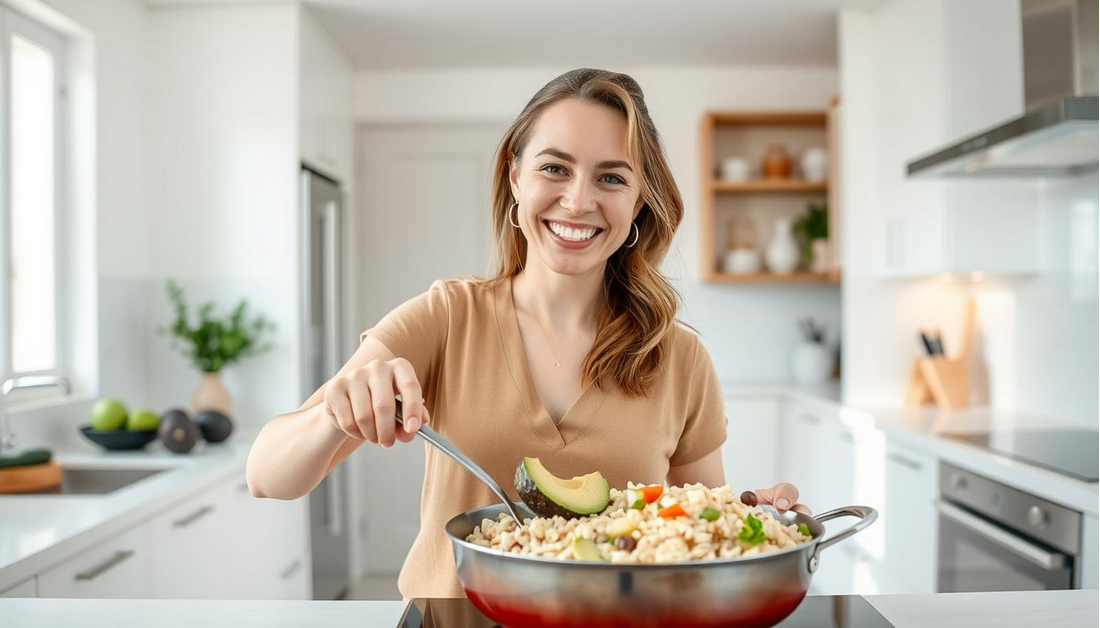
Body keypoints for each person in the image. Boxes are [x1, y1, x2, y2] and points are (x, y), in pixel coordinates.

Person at [246, 68, 809, 599]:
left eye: (611, 177)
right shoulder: (445, 317)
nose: (578, 200)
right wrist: (333, 413)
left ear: (638, 202)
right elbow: (268, 475)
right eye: (554, 168)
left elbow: (702, 531)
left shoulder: (680, 357)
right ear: (515, 177)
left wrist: (759, 521)